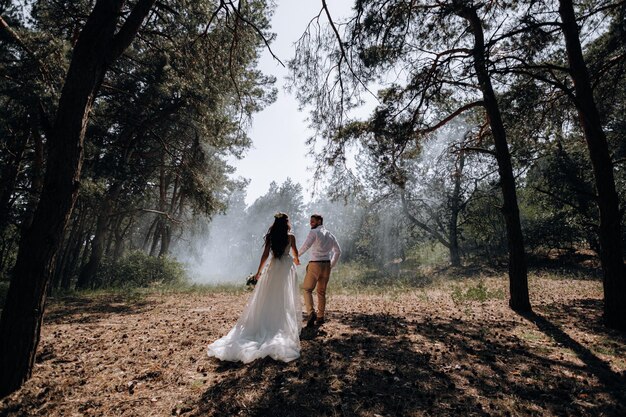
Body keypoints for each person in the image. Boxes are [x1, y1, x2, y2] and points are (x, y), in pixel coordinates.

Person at [207, 212, 302, 363]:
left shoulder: (271, 236)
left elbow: (265, 255)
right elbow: (295, 251)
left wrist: (259, 272)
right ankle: (279, 324)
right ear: (286, 223)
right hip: (285, 267)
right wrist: (296, 260)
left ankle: (265, 322)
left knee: (269, 295)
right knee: (283, 296)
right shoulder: (291, 237)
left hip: (274, 266)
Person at [299, 213, 341, 327]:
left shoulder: (314, 232)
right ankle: (320, 317)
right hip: (326, 265)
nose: (310, 223)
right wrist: (331, 264)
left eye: (313, 221)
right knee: (321, 292)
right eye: (310, 221)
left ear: (319, 221)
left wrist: (296, 256)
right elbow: (338, 251)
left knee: (307, 289)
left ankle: (311, 312)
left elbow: (306, 246)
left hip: (315, 264)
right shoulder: (330, 235)